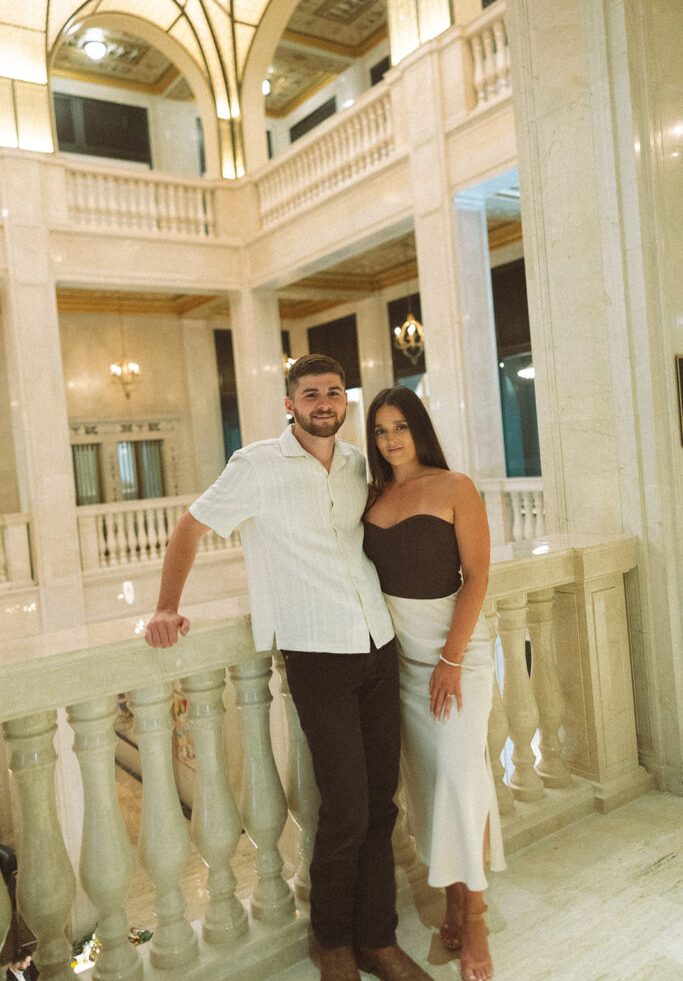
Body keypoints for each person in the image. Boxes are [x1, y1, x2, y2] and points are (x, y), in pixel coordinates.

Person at [145, 355, 433, 981]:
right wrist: (167, 607)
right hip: (315, 652)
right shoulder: (255, 465)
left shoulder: (360, 462)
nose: (324, 402)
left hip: (379, 644)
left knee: (382, 803)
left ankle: (378, 940)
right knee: (347, 808)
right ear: (290, 404)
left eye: (334, 392)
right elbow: (190, 527)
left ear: (344, 401)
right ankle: (331, 941)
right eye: (311, 394)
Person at [362, 386, 506, 981]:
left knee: (455, 775)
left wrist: (450, 658)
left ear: (419, 428)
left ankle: (475, 921)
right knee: (432, 787)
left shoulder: (455, 487)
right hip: (400, 661)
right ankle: (454, 898)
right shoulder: (372, 496)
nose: (391, 439)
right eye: (380, 430)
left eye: (400, 426)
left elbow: (476, 575)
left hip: (457, 654)